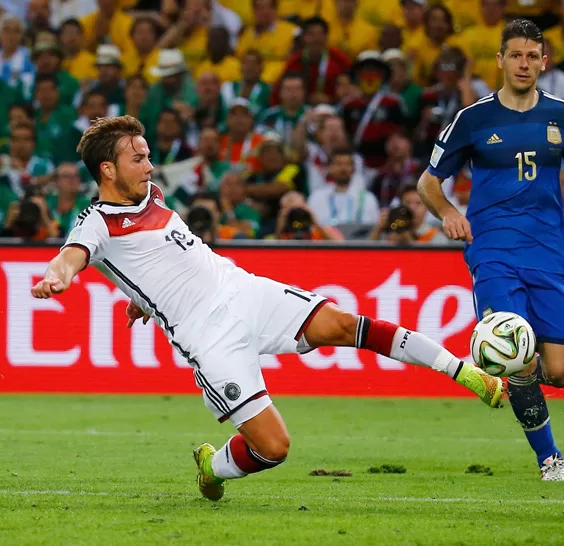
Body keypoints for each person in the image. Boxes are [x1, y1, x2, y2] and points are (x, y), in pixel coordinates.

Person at [31, 115, 504, 502]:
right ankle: (213, 466)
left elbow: (160, 258)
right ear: (108, 171)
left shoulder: (151, 195)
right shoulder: (96, 221)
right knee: (274, 448)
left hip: (243, 290)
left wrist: (141, 299)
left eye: (149, 156)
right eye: (138, 159)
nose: (150, 167)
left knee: (345, 323)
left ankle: (462, 371)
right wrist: (58, 276)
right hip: (209, 337)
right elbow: (73, 255)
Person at [417, 19, 564, 482]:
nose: (523, 64)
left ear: (544, 62)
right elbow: (428, 183)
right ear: (500, 60)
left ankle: (502, 377)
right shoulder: (473, 118)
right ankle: (550, 458)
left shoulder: (562, 115)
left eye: (532, 56)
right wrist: (447, 212)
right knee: (517, 352)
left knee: (558, 371)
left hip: (550, 252)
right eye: (515, 55)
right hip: (493, 250)